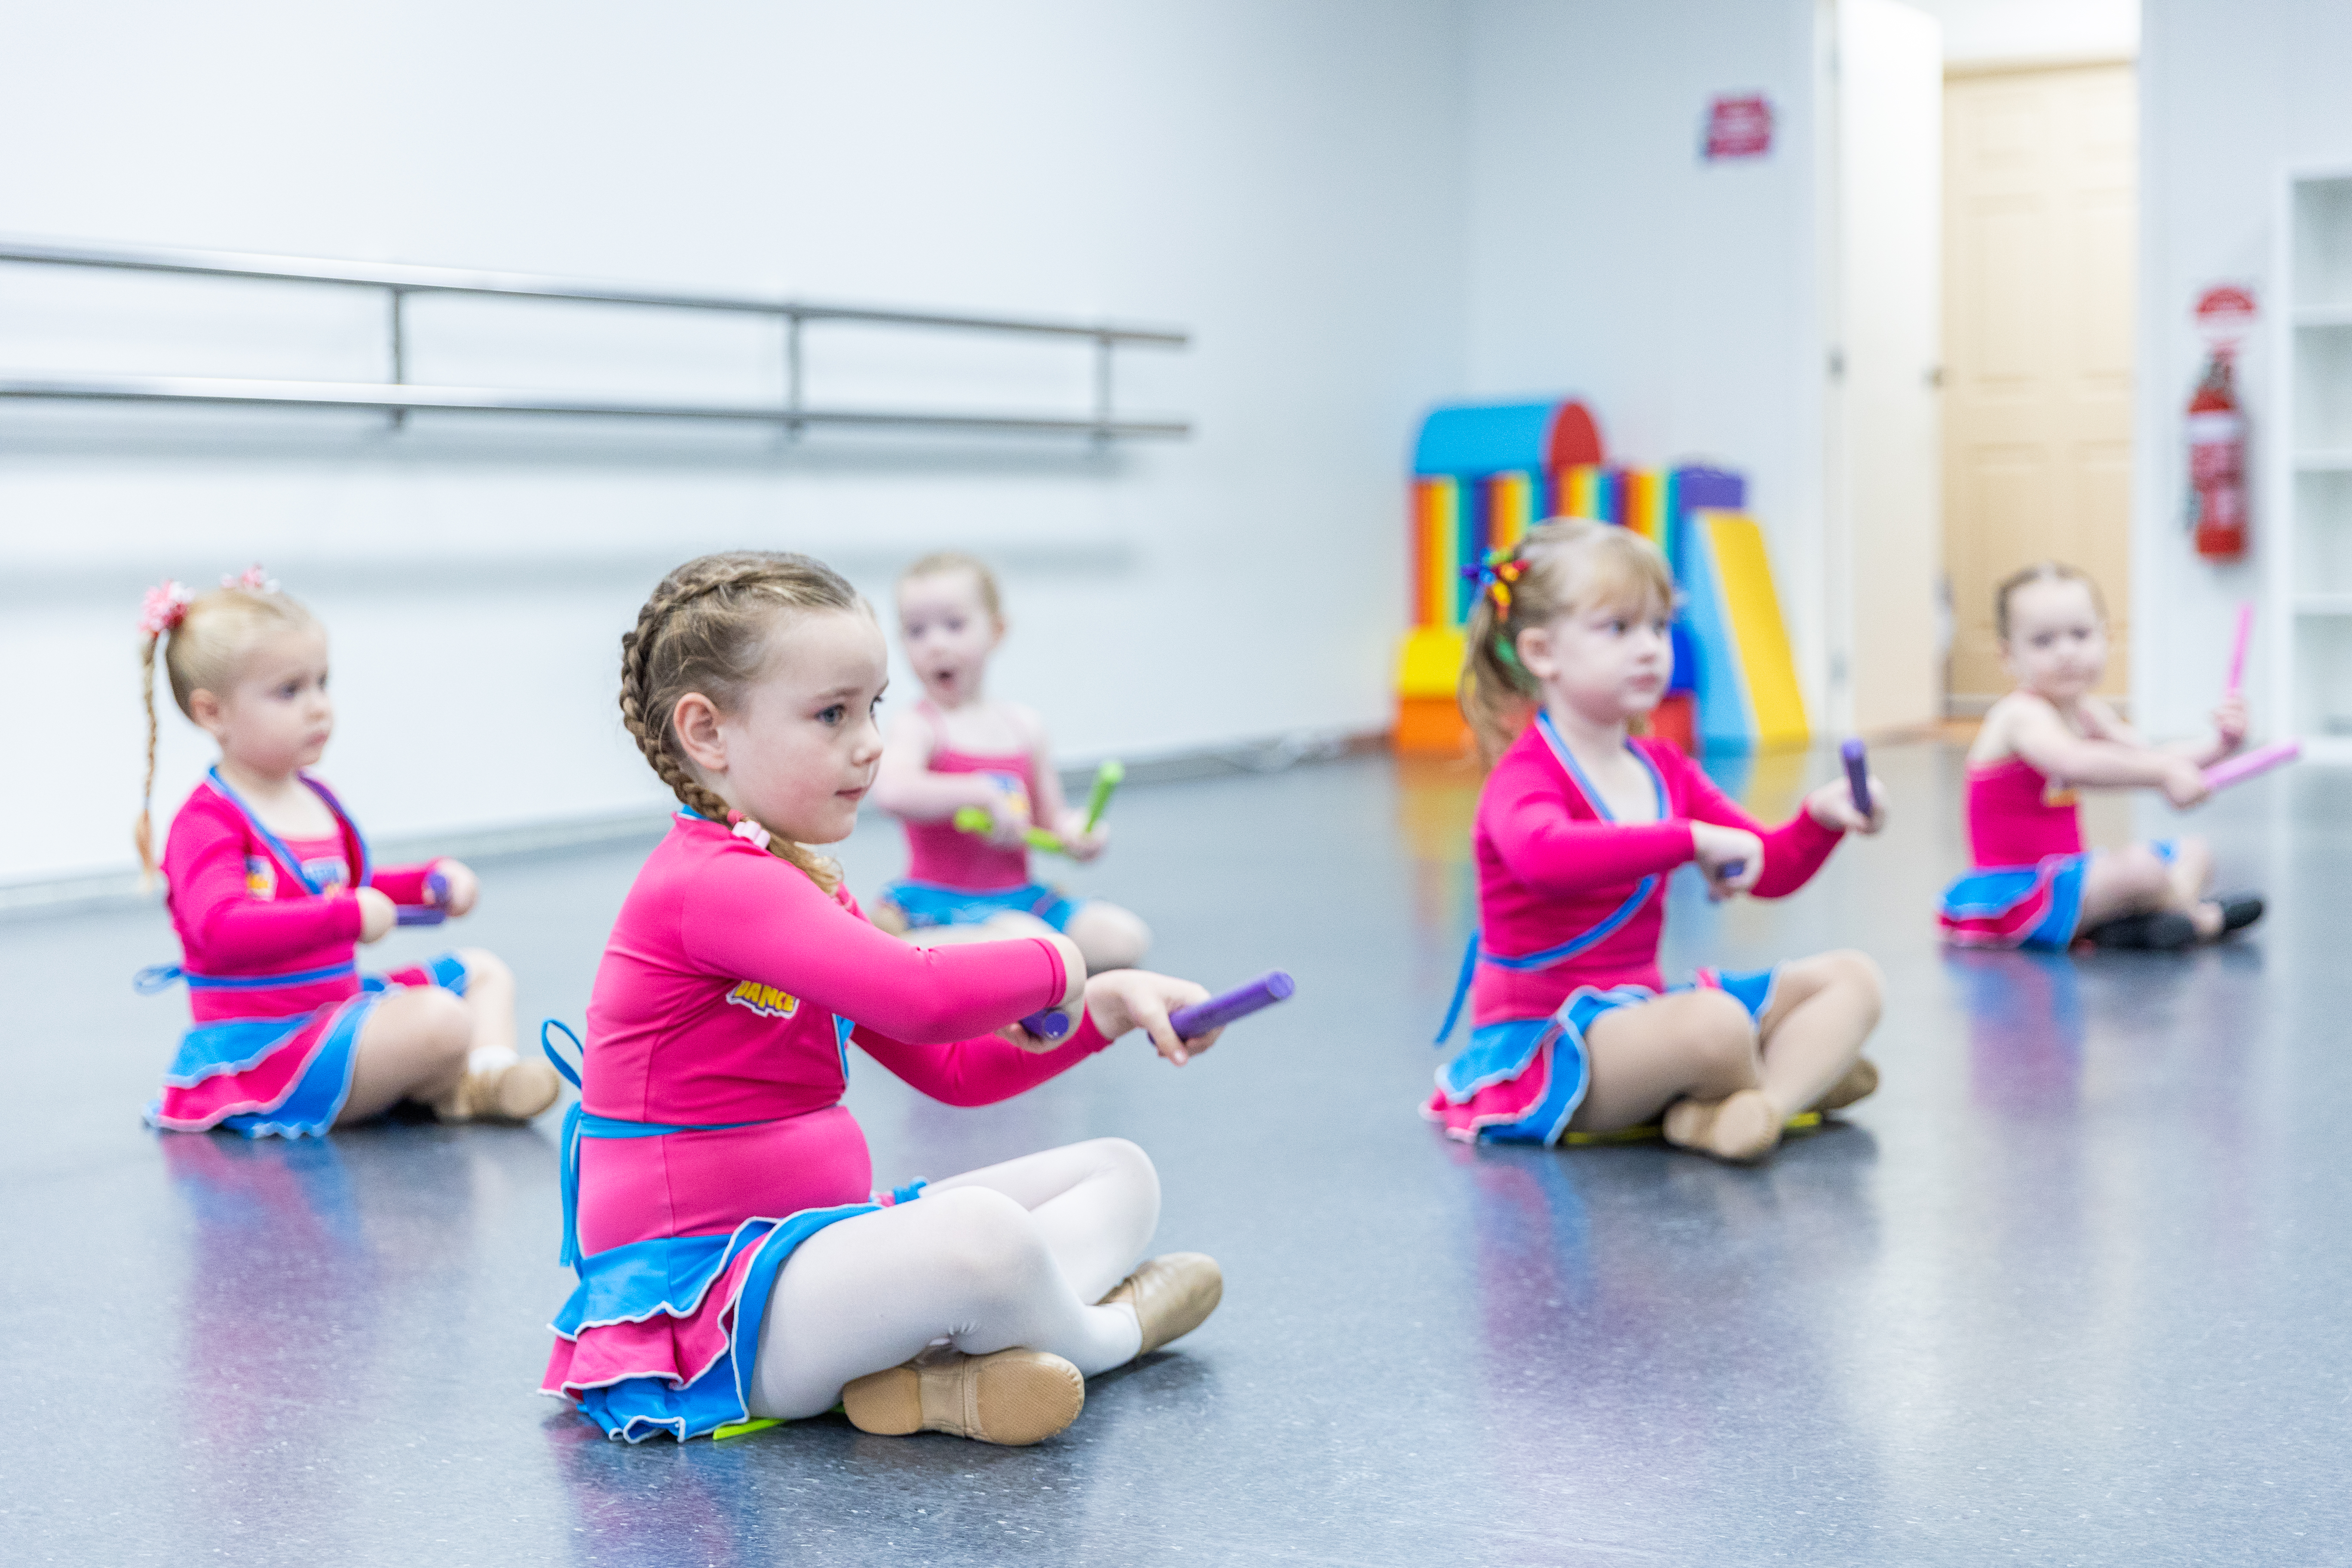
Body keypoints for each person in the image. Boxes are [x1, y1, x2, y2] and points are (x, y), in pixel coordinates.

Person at [541, 551, 1222, 1446]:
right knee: (981, 1236)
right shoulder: (710, 885)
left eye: (874, 707)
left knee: (1116, 1171)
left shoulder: (802, 884)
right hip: (723, 1310)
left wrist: (1104, 1011)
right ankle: (1109, 1334)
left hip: (823, 1253)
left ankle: (933, 1378)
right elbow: (919, 996)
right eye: (831, 714)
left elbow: (950, 1069)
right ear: (707, 733)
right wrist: (1061, 959)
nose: (870, 743)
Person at [1424, 521, 1885, 1163]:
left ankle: (1762, 1108)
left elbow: (1767, 867)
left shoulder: (1666, 770)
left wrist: (1822, 819)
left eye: (1660, 627)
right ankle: (1795, 1080)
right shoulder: (1523, 777)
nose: (1649, 649)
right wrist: (1689, 840)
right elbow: (1546, 856)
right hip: (1547, 1040)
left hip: (1641, 1012)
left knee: (1852, 978)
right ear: (1541, 653)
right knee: (1716, 1022)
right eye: (1618, 629)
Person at [135, 570, 554, 1136]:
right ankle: (445, 1083)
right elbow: (222, 926)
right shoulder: (207, 821)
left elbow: (356, 884)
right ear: (214, 714)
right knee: (437, 1019)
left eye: (322, 683)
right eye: (290, 691)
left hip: (340, 1010)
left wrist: (427, 885)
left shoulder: (315, 797)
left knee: (483, 972)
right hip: (271, 1046)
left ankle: (486, 1079)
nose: (318, 708)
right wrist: (349, 917)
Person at [1939, 561, 2263, 952]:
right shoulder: (2020, 715)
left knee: (2196, 851)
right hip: (2021, 886)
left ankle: (2133, 926)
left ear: (2106, 638)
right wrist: (2163, 773)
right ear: (2009, 656)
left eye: (2080, 635)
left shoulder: (2088, 712)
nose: (2067, 653)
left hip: (2071, 876)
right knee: (2144, 870)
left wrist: (2221, 745)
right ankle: (2197, 917)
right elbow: (2073, 762)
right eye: (2043, 642)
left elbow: (2150, 754)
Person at [868, 552, 1149, 972]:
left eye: (954, 625)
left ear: (996, 632)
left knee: (1124, 940)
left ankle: (959, 957)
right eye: (916, 631)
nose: (936, 643)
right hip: (939, 899)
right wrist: (981, 791)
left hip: (1020, 896)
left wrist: (1080, 833)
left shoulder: (1025, 727)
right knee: (1037, 945)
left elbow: (1052, 818)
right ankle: (941, 948)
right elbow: (891, 791)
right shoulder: (920, 725)